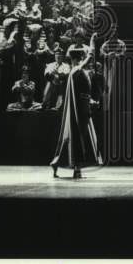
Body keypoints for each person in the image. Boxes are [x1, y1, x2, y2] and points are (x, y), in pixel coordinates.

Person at [51, 34, 102, 179]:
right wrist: (92, 42)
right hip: (79, 111)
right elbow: (90, 56)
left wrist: (90, 101)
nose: (82, 60)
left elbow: (82, 93)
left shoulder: (80, 72)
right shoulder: (76, 70)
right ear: (76, 59)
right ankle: (76, 169)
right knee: (77, 138)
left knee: (79, 138)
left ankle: (61, 164)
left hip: (83, 108)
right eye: (80, 58)